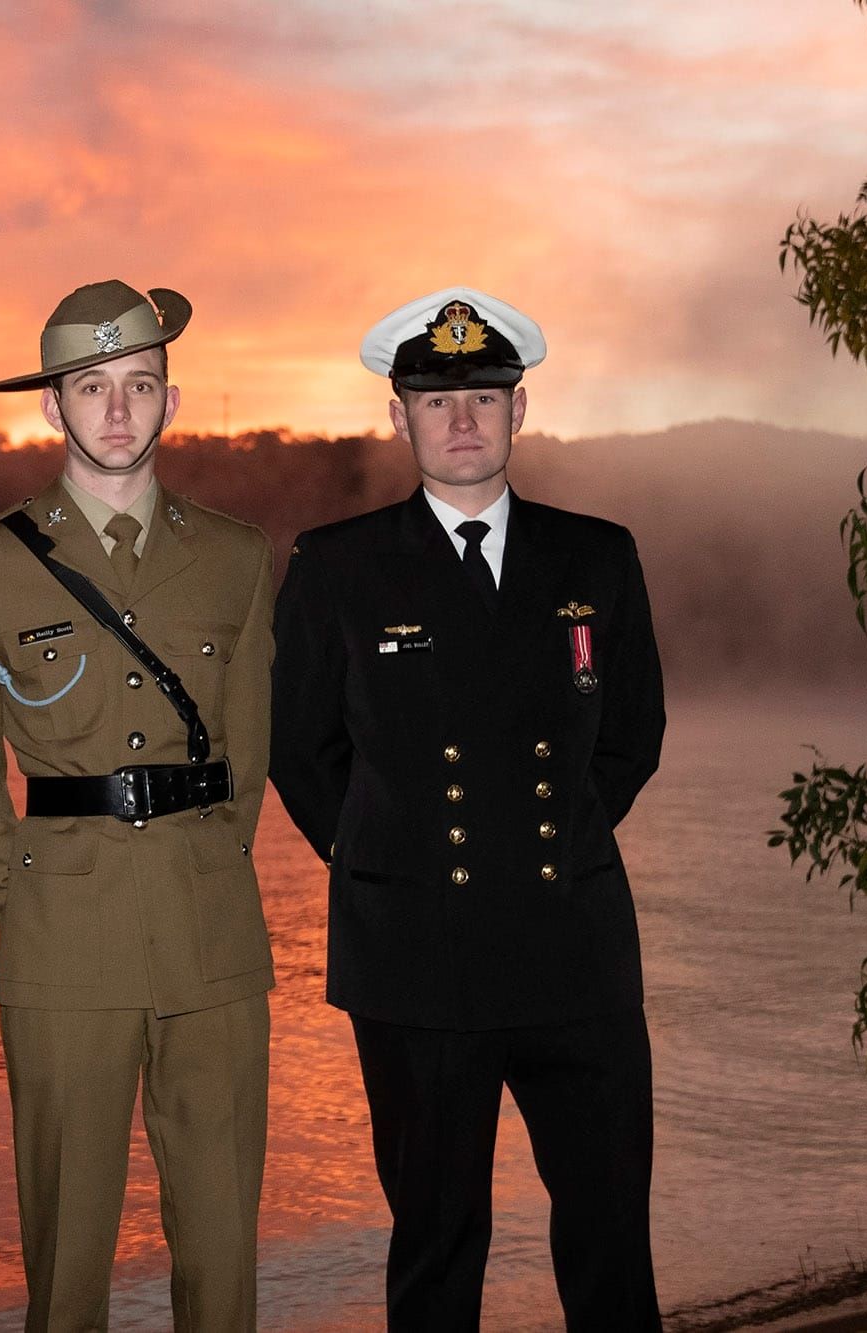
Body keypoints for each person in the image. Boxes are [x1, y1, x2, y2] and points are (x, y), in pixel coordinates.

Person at [270, 287, 666, 1331]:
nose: (460, 420)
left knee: (608, 1231)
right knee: (438, 1242)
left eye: (482, 398)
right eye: (434, 400)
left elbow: (630, 734)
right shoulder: (336, 565)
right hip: (412, 956)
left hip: (571, 947)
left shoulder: (595, 556)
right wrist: (382, 855)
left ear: (518, 412)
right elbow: (298, 751)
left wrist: (555, 836)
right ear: (395, 417)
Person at [0, 280, 276, 1331]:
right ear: (52, 407)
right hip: (61, 949)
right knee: (66, 1261)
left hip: (210, 939)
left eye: (140, 384)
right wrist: (35, 901)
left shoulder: (235, 557)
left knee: (222, 1256)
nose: (119, 411)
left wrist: (201, 874)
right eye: (92, 387)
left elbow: (245, 760)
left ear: (171, 399)